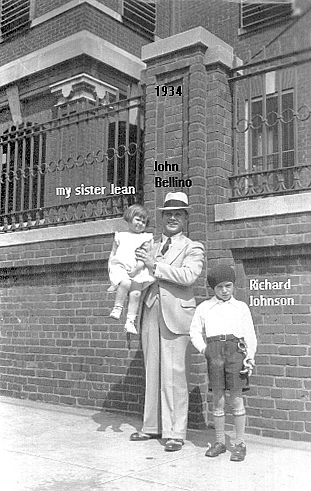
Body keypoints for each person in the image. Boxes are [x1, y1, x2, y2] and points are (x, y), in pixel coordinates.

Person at [129, 192, 205, 452]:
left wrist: (155, 265)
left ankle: (175, 432)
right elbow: (136, 267)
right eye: (168, 214)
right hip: (150, 311)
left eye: (178, 214)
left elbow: (189, 276)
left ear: (185, 218)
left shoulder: (193, 247)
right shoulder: (150, 243)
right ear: (162, 217)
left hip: (177, 315)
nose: (172, 218)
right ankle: (150, 427)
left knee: (174, 374)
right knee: (152, 370)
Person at [190, 264, 257, 462]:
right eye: (220, 287)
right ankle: (219, 441)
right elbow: (194, 332)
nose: (224, 290)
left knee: (236, 398)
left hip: (236, 351)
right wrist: (205, 350)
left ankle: (240, 443)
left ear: (233, 285)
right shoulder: (204, 308)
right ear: (213, 288)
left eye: (228, 285)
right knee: (217, 398)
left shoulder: (241, 307)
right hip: (215, 352)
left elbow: (250, 335)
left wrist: (249, 357)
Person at [108, 204, 154, 334]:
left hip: (137, 269)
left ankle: (130, 321)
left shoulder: (145, 238)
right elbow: (113, 254)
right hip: (121, 267)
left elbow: (143, 257)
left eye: (143, 222)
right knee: (125, 283)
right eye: (137, 219)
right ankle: (118, 307)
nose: (140, 223)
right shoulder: (120, 236)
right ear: (129, 219)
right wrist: (112, 277)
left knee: (136, 293)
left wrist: (136, 270)